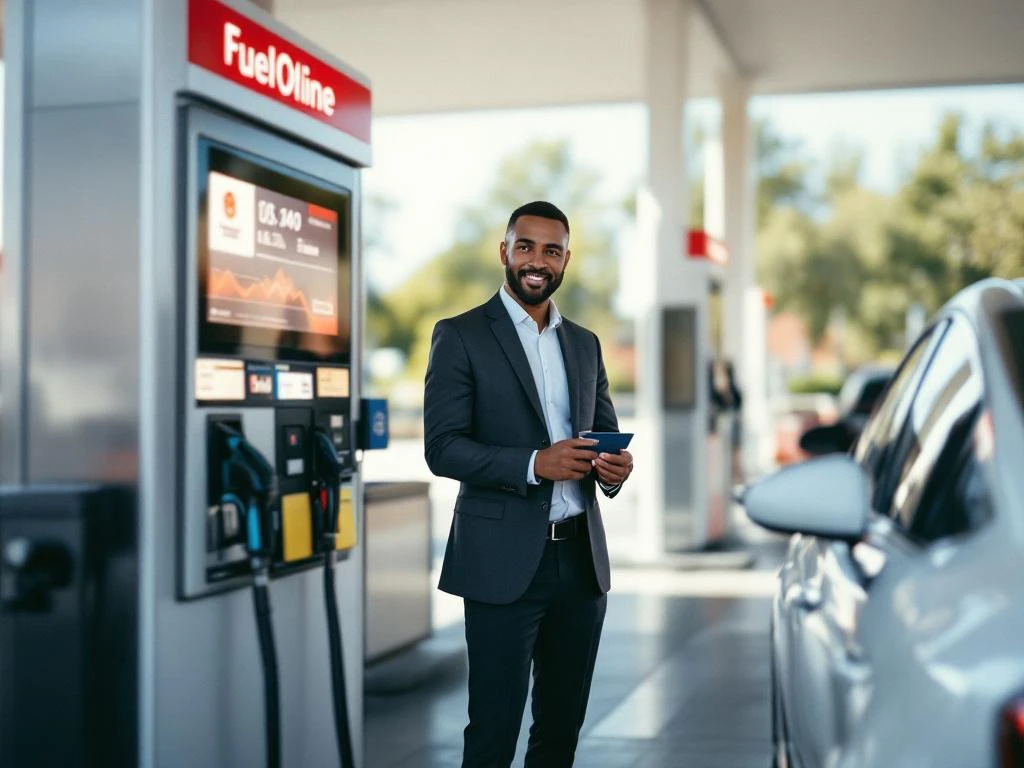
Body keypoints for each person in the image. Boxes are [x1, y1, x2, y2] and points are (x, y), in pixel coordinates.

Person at [423, 201, 633, 767]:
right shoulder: (460, 335)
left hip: (580, 564)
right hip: (501, 563)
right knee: (493, 733)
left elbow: (604, 435)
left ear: (566, 259)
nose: (537, 261)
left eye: (551, 250)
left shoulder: (585, 343)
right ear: (505, 252)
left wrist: (615, 470)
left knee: (560, 733)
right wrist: (535, 463)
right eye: (526, 247)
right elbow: (442, 448)